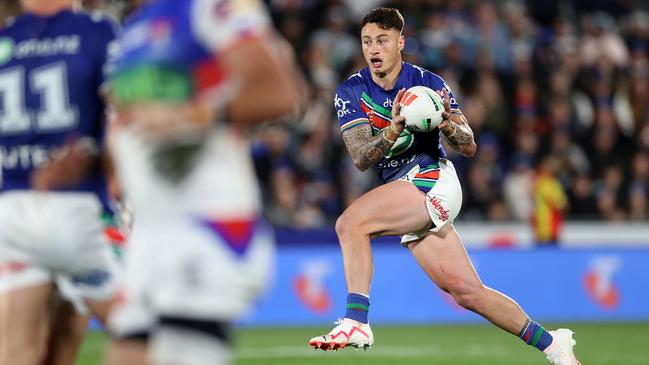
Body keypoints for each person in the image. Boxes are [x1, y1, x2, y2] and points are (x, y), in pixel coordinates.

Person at [308, 8, 580, 365]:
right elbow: (361, 156)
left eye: (382, 41)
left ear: (400, 42)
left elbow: (469, 144)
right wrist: (394, 127)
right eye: (367, 42)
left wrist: (444, 122)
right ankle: (554, 345)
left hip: (431, 178)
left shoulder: (429, 83)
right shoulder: (351, 90)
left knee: (350, 224)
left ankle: (357, 320)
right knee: (468, 293)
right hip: (405, 187)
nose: (373, 49)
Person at [105, 0, 305, 364]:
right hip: (152, 230)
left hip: (207, 222)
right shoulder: (134, 27)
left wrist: (194, 113)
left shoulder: (210, 8)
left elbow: (281, 93)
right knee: (125, 355)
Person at [0, 0, 120, 364]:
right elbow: (126, 113)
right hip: (81, 206)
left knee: (18, 351)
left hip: (13, 209)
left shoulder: (7, 39)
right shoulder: (99, 31)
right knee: (150, 334)